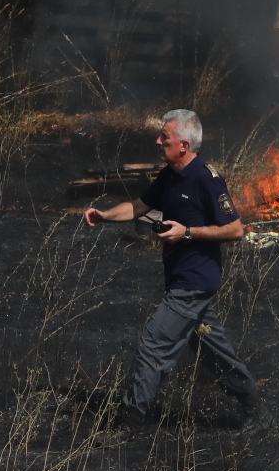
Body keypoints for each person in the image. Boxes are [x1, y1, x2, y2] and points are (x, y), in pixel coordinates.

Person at [83, 108, 256, 423]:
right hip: (181, 278)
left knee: (154, 342)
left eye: (165, 136)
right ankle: (254, 407)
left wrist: (186, 232)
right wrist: (105, 215)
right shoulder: (169, 175)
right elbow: (138, 206)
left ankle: (132, 418)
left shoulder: (206, 179)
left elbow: (236, 230)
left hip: (194, 282)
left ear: (184, 146)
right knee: (212, 348)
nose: (158, 140)